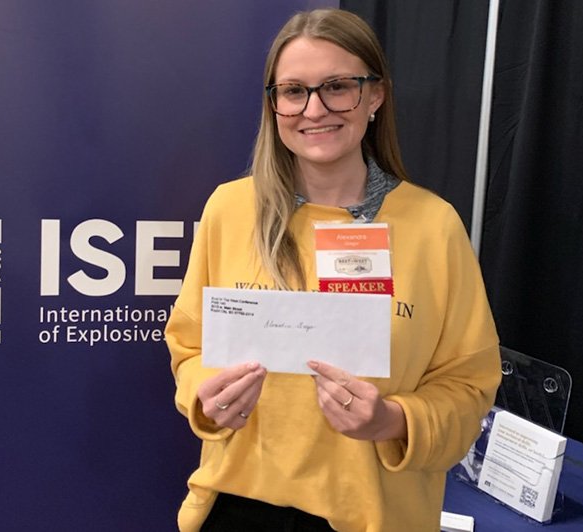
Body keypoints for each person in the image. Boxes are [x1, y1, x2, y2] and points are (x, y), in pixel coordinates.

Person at [165, 8, 501, 531]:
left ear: (376, 96)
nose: (314, 109)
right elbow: (188, 348)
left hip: (372, 515)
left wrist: (393, 420)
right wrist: (205, 396)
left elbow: (469, 386)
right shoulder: (229, 209)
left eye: (338, 87)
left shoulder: (433, 226)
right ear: (274, 103)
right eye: (293, 91)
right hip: (234, 504)